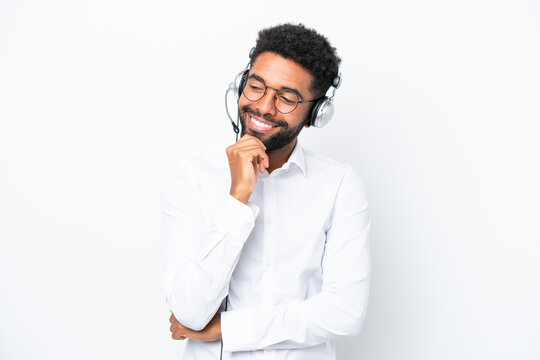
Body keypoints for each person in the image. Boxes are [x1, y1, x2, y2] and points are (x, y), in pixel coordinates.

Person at [162, 23, 371, 360]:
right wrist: (237, 199)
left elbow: (345, 313)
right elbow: (189, 312)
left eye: (286, 98)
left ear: (315, 114)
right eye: (256, 86)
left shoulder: (339, 185)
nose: (264, 107)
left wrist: (227, 330)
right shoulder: (190, 177)